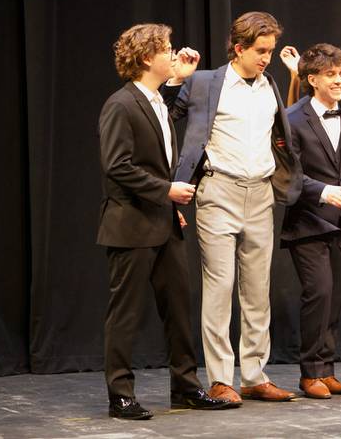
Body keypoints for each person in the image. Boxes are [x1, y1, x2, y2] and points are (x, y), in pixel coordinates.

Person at [162, 11, 302, 404]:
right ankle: (221, 377)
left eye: (270, 51)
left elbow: (280, 134)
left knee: (258, 290)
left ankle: (255, 374)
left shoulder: (269, 84)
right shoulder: (207, 82)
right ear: (238, 47)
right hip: (218, 192)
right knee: (220, 287)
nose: (266, 58)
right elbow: (166, 115)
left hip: (259, 194)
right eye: (260, 51)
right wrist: (176, 79)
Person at [97, 23, 227, 419]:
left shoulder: (156, 102)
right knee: (126, 314)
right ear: (145, 57)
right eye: (166, 49)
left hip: (163, 223)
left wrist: (169, 209)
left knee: (178, 309)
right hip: (131, 224)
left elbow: (160, 154)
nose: (173, 54)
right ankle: (120, 394)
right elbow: (117, 166)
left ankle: (186, 387)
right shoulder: (120, 104)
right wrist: (166, 192)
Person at [281, 43, 341, 399]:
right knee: (318, 293)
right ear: (311, 79)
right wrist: (321, 191)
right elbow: (288, 174)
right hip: (307, 222)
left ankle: (327, 368)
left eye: (340, 75)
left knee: (334, 297)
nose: (339, 81)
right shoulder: (293, 118)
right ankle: (309, 374)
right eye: (331, 75)